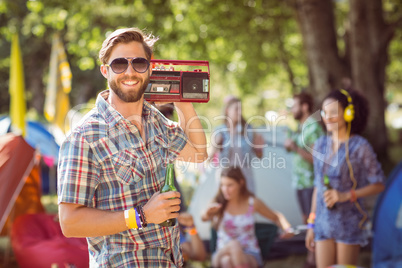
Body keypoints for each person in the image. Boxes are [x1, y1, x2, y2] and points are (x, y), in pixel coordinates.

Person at [57, 27, 208, 267]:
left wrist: (183, 102)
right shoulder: (84, 136)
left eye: (139, 63)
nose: (129, 71)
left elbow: (198, 154)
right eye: (119, 64)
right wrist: (142, 215)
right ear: (105, 70)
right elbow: (70, 222)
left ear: (149, 68)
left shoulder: (156, 121)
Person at [305, 89, 385, 268]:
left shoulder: (360, 146)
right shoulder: (319, 144)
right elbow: (318, 187)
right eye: (325, 112)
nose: (327, 117)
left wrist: (346, 195)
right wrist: (311, 224)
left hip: (349, 225)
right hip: (323, 224)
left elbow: (379, 184)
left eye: (333, 112)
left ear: (348, 114)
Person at [201, 166, 293, 268]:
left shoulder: (252, 202)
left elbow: (276, 216)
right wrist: (207, 213)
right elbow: (203, 218)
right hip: (222, 252)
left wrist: (287, 228)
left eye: (230, 185)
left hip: (249, 253)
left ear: (241, 183)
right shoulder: (218, 202)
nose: (225, 190)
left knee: (227, 261)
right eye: (222, 185)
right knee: (232, 248)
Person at [284, 91, 324, 224]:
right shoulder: (300, 127)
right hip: (299, 183)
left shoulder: (313, 127)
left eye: (294, 106)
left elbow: (317, 159)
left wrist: (295, 147)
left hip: (311, 184)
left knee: (313, 223)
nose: (292, 110)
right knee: (305, 221)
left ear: (305, 107)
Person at [210, 96, 264, 194]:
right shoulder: (219, 131)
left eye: (241, 109)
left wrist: (259, 149)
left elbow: (259, 156)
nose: (239, 112)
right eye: (236, 109)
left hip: (244, 178)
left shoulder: (249, 130)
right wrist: (216, 145)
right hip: (225, 178)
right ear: (227, 110)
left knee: (247, 205)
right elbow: (210, 159)